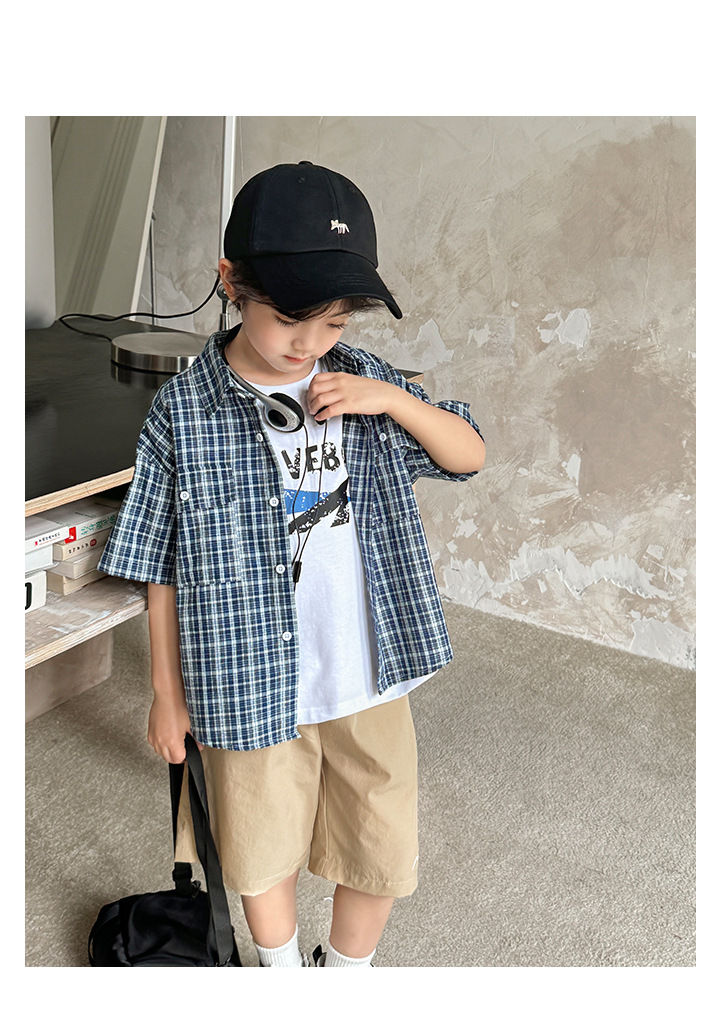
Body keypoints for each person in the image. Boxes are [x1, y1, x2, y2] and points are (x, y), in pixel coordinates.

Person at [98, 161, 485, 967]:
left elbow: (468, 454)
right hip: (244, 680)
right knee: (257, 843)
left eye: (335, 322)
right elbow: (158, 562)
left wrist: (398, 401)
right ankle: (278, 975)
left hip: (369, 671)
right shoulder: (183, 413)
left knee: (380, 841)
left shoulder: (364, 381)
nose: (310, 344)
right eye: (289, 319)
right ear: (231, 282)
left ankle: (344, 975)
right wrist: (166, 693)